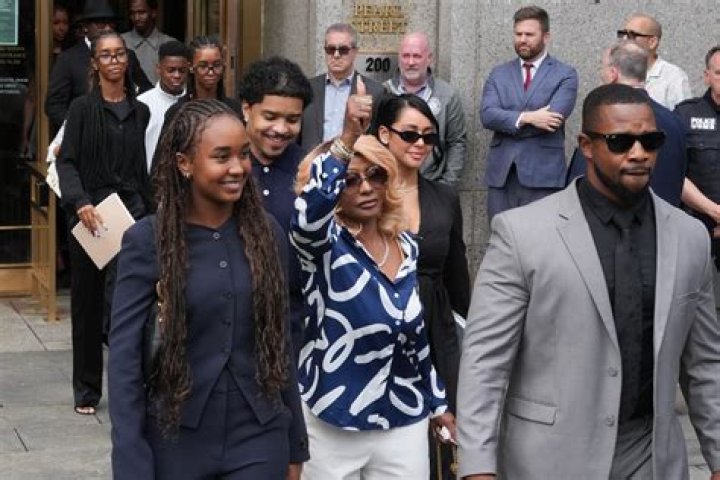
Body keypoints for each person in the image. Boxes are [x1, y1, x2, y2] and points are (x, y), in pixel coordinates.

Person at [456, 84, 720, 479]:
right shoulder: (521, 233)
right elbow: (485, 361)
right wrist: (478, 467)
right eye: (620, 142)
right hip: (550, 459)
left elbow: (705, 363)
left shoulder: (689, 236)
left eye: (650, 141)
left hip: (652, 456)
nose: (638, 153)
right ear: (586, 145)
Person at [109, 99, 308, 479]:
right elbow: (124, 360)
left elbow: (280, 341)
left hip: (260, 436)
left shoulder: (267, 234)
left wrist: (295, 442)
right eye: (221, 156)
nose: (237, 168)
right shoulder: (148, 240)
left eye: (243, 154)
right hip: (175, 437)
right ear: (184, 163)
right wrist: (131, 460)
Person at [292, 85, 455, 479]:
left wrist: (437, 403)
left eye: (376, 175)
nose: (365, 187)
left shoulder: (406, 247)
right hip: (334, 417)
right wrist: (348, 138)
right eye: (350, 180)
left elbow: (413, 335)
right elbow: (308, 217)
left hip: (403, 415)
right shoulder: (323, 245)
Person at [371, 93, 470, 480]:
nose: (420, 144)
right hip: (379, 330)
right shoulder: (364, 194)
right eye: (410, 134)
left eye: (429, 137)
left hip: (436, 328)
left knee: (441, 443)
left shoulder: (444, 197)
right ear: (384, 134)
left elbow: (457, 276)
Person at [56, 31, 151, 416]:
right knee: (88, 303)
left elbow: (140, 169)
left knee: (132, 303)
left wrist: (152, 212)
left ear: (127, 60)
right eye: (106, 55)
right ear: (94, 63)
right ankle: (87, 390)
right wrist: (80, 202)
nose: (114, 61)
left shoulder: (140, 111)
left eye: (119, 54)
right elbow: (67, 161)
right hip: (91, 215)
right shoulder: (81, 109)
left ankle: (135, 384)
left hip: (132, 213)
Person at [238, 56, 313, 356]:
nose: (280, 129)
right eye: (270, 117)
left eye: (292, 120)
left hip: (294, 328)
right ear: (247, 109)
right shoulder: (223, 167)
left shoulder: (310, 170)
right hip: (231, 323)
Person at [481, 5, 578, 221]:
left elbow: (553, 120)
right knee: (500, 236)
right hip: (502, 177)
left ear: (546, 37)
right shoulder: (499, 74)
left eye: (529, 34)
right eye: (518, 34)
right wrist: (529, 118)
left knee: (541, 238)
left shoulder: (565, 74)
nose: (522, 40)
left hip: (544, 176)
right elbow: (487, 115)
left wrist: (506, 120)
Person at [567, 41, 687, 206]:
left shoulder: (602, 119)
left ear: (613, 74)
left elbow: (583, 179)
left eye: (602, 68)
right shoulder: (675, 122)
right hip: (664, 219)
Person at [45, 0, 151, 135]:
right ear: (85, 28)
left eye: (111, 24)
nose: (107, 29)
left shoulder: (128, 56)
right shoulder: (68, 59)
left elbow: (147, 93)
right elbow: (54, 105)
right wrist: (80, 129)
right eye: (101, 24)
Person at [384, 32, 467, 186]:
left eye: (417, 56)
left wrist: (446, 185)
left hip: (432, 184)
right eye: (405, 56)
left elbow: (456, 143)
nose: (410, 62)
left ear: (429, 58)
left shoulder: (448, 95)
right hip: (389, 185)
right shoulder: (383, 92)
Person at [300, 22, 384, 152]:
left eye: (343, 50)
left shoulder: (375, 91)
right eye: (331, 49)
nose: (336, 55)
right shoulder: (306, 88)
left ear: (355, 52)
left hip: (352, 162)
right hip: (311, 162)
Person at [676, 45, 720, 269]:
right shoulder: (685, 114)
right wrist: (715, 212)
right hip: (696, 225)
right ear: (707, 76)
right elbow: (675, 174)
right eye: (719, 72)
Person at [618, 13, 691, 110]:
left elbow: (683, 116)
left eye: (631, 35)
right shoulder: (616, 72)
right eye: (623, 34)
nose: (624, 39)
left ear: (652, 42)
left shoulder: (674, 77)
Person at [137, 40, 189, 172]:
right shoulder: (142, 103)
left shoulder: (193, 101)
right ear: (158, 69)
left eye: (182, 71)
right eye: (171, 70)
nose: (177, 76)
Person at [121, 0, 177, 84]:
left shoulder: (170, 44)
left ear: (153, 13)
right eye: (133, 13)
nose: (136, 18)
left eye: (141, 12)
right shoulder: (121, 42)